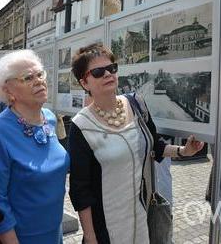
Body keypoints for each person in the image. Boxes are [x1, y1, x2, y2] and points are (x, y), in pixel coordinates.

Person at [68, 43, 204, 244]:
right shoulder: (81, 126)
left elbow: (154, 146)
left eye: (112, 68)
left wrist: (184, 150)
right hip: (107, 225)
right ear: (84, 82)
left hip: (143, 216)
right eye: (98, 72)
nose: (108, 74)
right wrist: (90, 237)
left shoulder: (136, 104)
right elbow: (80, 189)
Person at [0, 50, 70, 244]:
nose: (38, 81)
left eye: (40, 74)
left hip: (55, 232)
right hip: (23, 237)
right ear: (8, 91)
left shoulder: (50, 118)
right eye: (28, 77)